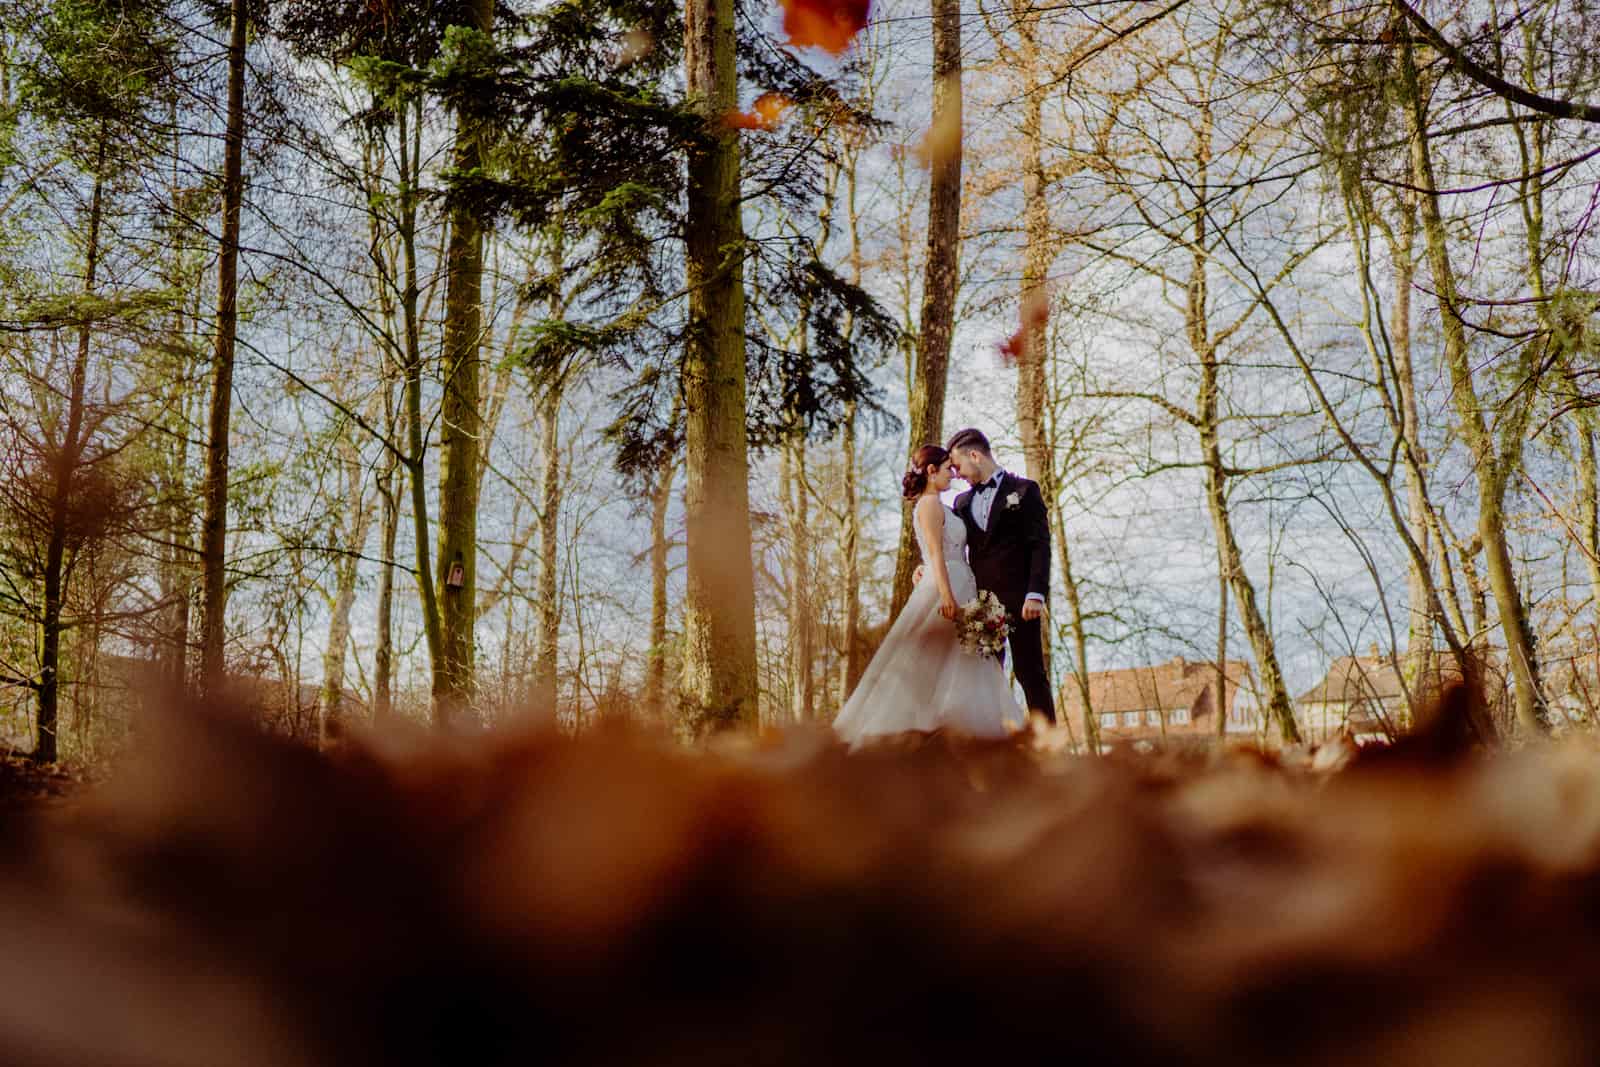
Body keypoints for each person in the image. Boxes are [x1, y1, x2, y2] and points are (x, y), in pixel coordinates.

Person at [832, 445, 1023, 745]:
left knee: (960, 661)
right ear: (932, 471)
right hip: (948, 587)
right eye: (948, 468)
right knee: (937, 658)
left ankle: (958, 733)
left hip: (960, 581)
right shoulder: (930, 504)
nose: (953, 474)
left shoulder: (940, 505)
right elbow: (935, 551)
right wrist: (947, 596)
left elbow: (938, 550)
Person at [946, 427, 1057, 723]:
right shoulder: (961, 504)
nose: (956, 474)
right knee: (984, 678)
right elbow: (951, 543)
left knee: (1029, 672)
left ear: (975, 455)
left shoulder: (1025, 490)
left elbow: (1040, 545)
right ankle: (994, 749)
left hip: (1022, 602)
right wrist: (927, 567)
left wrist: (1036, 593)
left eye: (958, 466)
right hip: (980, 605)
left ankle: (1047, 747)